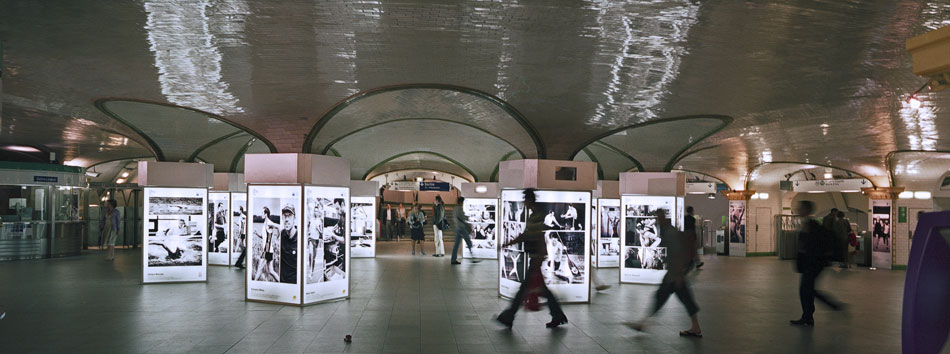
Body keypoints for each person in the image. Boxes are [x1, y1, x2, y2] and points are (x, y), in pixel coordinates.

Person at [496, 189, 568, 329]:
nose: (524, 203)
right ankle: (557, 315)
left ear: (529, 200)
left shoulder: (537, 216)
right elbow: (526, 235)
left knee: (524, 290)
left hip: (535, 259)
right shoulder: (535, 215)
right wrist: (507, 244)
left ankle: (509, 317)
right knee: (541, 290)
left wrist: (539, 258)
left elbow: (537, 238)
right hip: (535, 258)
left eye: (525, 200)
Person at [629, 209, 702, 338]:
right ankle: (695, 326)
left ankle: (643, 323)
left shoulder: (669, 232)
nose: (656, 221)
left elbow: (677, 254)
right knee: (683, 298)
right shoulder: (669, 230)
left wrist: (679, 274)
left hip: (674, 275)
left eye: (657, 218)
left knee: (662, 297)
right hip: (675, 274)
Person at [791, 201, 843, 327]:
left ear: (807, 210)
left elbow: (812, 245)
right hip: (811, 263)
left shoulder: (812, 224)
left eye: (801, 208)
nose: (798, 210)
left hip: (814, 263)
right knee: (807, 290)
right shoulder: (807, 223)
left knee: (806, 290)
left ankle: (813, 314)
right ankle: (809, 316)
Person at [450, 197, 477, 265]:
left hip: (457, 228)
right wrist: (467, 218)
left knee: (456, 245)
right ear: (461, 202)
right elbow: (463, 218)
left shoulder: (455, 209)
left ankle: (453, 259)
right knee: (468, 242)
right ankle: (473, 258)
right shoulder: (459, 209)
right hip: (461, 228)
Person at [279, 204, 298, 284]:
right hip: (282, 283)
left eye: (289, 216)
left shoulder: (299, 239)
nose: (286, 219)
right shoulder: (282, 234)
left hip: (294, 283)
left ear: (294, 218)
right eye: (284, 216)